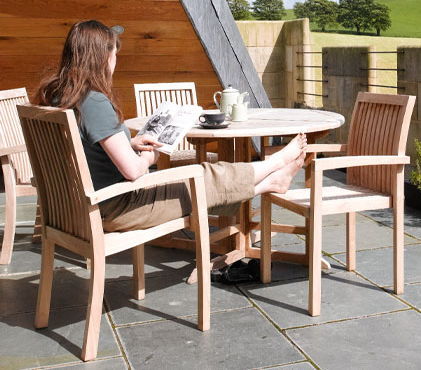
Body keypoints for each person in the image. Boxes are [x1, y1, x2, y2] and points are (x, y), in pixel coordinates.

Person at [38, 20, 306, 232]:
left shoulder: (57, 95)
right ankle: (276, 163)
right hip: (118, 207)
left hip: (77, 208)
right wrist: (151, 154)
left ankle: (271, 182)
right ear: (102, 57)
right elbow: (133, 171)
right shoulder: (93, 101)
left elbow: (80, 146)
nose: (115, 61)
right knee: (204, 176)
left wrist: (129, 144)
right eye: (114, 54)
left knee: (203, 181)